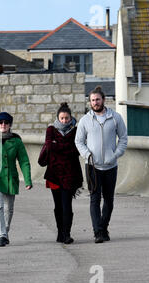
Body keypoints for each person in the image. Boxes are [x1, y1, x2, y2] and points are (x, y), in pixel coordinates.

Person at [75, 86, 128, 243]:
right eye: (92, 100)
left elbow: (124, 138)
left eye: (97, 99)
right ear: (90, 102)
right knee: (94, 199)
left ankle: (103, 228)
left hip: (111, 166)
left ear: (103, 100)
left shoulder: (115, 117)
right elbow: (78, 141)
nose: (95, 102)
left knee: (109, 200)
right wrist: (87, 155)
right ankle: (98, 232)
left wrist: (116, 154)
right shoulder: (85, 120)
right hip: (92, 166)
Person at [0, 112, 32, 247]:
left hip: (10, 178)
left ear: (10, 125)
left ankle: (5, 232)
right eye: (0, 123)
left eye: (6, 123)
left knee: (9, 209)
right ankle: (2, 235)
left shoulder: (16, 140)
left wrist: (27, 180)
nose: (3, 125)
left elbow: (24, 161)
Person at [43, 103, 83, 244]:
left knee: (67, 205)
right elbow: (49, 145)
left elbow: (76, 149)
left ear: (71, 118)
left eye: (67, 118)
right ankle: (60, 232)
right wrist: (65, 148)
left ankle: (67, 233)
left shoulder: (76, 130)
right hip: (54, 174)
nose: (64, 121)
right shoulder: (51, 129)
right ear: (57, 118)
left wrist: (57, 146)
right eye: (62, 118)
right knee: (58, 206)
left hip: (70, 174)